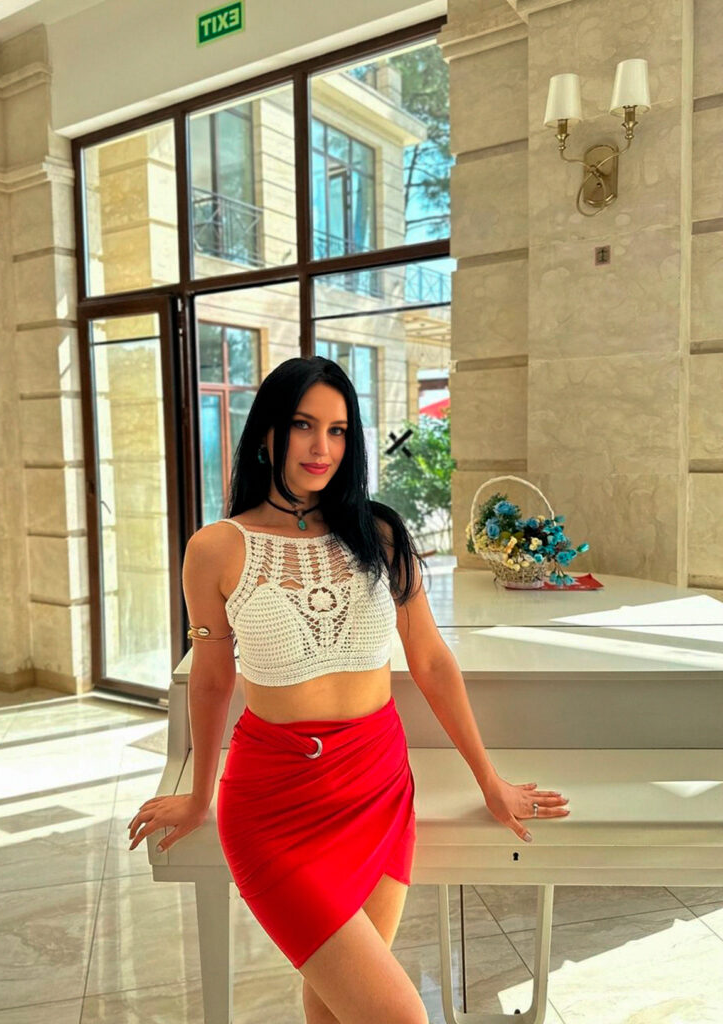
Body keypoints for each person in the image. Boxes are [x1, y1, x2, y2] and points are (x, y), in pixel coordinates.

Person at [127, 355, 569, 1024]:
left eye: (337, 430)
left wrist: (489, 780)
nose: (321, 447)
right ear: (268, 432)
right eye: (304, 425)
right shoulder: (217, 548)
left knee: (337, 1005)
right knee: (398, 1015)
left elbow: (431, 662)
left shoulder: (379, 533)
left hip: (378, 789)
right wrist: (199, 795)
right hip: (274, 804)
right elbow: (213, 680)